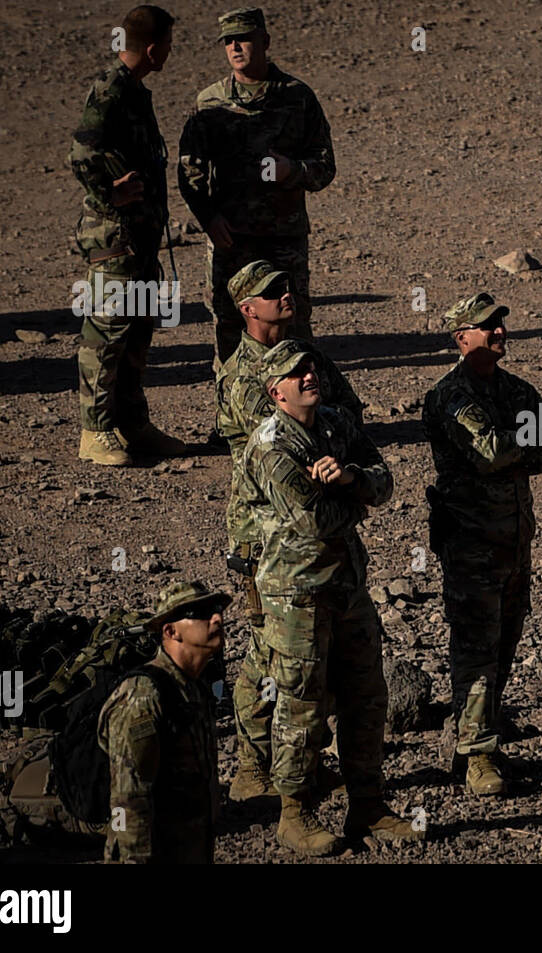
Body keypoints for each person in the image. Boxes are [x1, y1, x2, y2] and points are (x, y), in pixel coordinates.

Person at [239, 341, 419, 854]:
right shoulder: (272, 447)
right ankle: (295, 814)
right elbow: (314, 522)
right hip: (295, 595)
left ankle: (369, 804)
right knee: (301, 704)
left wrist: (351, 477)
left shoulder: (337, 423)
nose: (307, 375)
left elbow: (384, 482)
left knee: (367, 695)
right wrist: (355, 498)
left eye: (309, 368)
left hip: (347, 585)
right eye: (294, 374)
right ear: (276, 392)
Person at [215, 260, 362, 801]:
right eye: (271, 292)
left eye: (287, 286)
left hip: (318, 527)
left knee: (314, 655)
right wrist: (338, 467)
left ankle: (299, 760)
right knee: (267, 656)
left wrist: (333, 451)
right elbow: (277, 445)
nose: (287, 295)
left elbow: (350, 414)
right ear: (247, 308)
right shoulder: (242, 375)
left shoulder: (308, 356)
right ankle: (253, 764)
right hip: (264, 533)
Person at [422, 294, 542, 796]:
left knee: (505, 642)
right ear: (461, 338)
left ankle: (476, 738)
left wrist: (513, 448)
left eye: (500, 323)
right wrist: (516, 446)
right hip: (470, 542)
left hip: (515, 538)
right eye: (486, 326)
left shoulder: (518, 390)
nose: (499, 331)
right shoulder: (449, 396)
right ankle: (478, 754)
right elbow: (489, 452)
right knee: (476, 645)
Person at [178, 6, 336, 368]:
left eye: (243, 39)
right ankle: (231, 418)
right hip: (230, 239)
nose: (235, 47)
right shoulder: (209, 102)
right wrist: (208, 218)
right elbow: (189, 171)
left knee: (291, 328)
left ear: (264, 41)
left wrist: (292, 171)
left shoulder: (298, 98)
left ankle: (292, 417)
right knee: (230, 327)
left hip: (284, 240)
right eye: (228, 41)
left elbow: (325, 168)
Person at [70, 4, 186, 466]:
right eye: (170, 46)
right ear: (154, 48)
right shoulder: (110, 91)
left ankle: (132, 424)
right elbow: (81, 154)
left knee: (137, 330)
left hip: (139, 239)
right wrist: (107, 195)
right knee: (107, 332)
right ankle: (94, 432)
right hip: (114, 238)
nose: (170, 54)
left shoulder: (136, 92)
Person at [98, 581, 229, 863]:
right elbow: (128, 799)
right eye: (202, 612)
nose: (217, 618)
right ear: (170, 631)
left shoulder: (194, 687)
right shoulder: (143, 696)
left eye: (217, 610)